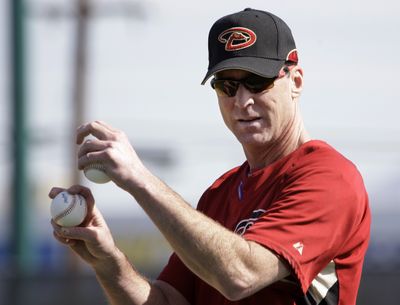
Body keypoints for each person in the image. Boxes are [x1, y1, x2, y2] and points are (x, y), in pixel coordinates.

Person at [49, 8, 370, 305]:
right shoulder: (221, 193)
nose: (242, 101)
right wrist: (108, 261)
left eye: (257, 82)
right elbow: (166, 300)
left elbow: (240, 276)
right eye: (227, 86)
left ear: (295, 81)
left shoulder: (329, 178)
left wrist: (139, 178)